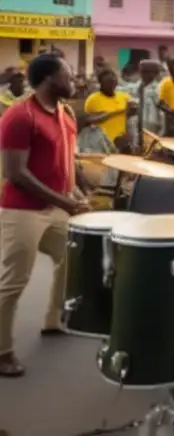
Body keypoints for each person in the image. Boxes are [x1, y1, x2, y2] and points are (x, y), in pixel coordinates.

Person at [0, 54, 91, 377]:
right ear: (51, 79)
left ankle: (54, 319)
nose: (75, 80)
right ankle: (2, 352)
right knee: (14, 281)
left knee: (71, 258)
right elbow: (15, 173)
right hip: (21, 211)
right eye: (68, 74)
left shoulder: (66, 113)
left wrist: (78, 192)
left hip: (57, 207)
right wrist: (63, 201)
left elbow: (69, 160)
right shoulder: (20, 116)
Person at [84, 68, 136, 152]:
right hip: (101, 144)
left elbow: (131, 118)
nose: (112, 84)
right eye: (108, 82)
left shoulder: (124, 97)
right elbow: (88, 120)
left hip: (121, 143)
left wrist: (132, 110)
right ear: (101, 83)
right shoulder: (93, 99)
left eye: (114, 81)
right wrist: (118, 111)